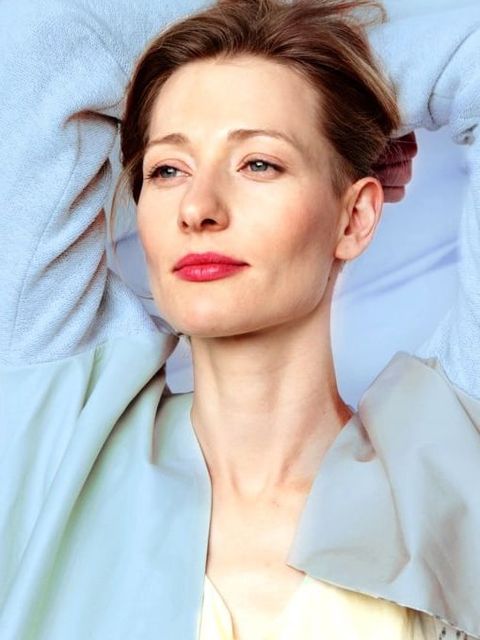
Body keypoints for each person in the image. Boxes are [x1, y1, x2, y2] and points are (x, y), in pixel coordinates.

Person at [0, 1, 479, 640]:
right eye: (167, 170)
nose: (198, 207)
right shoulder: (54, 427)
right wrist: (313, 49)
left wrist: (337, 74)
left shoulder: (453, 455)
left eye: (259, 163)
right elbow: (51, 33)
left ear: (355, 217)